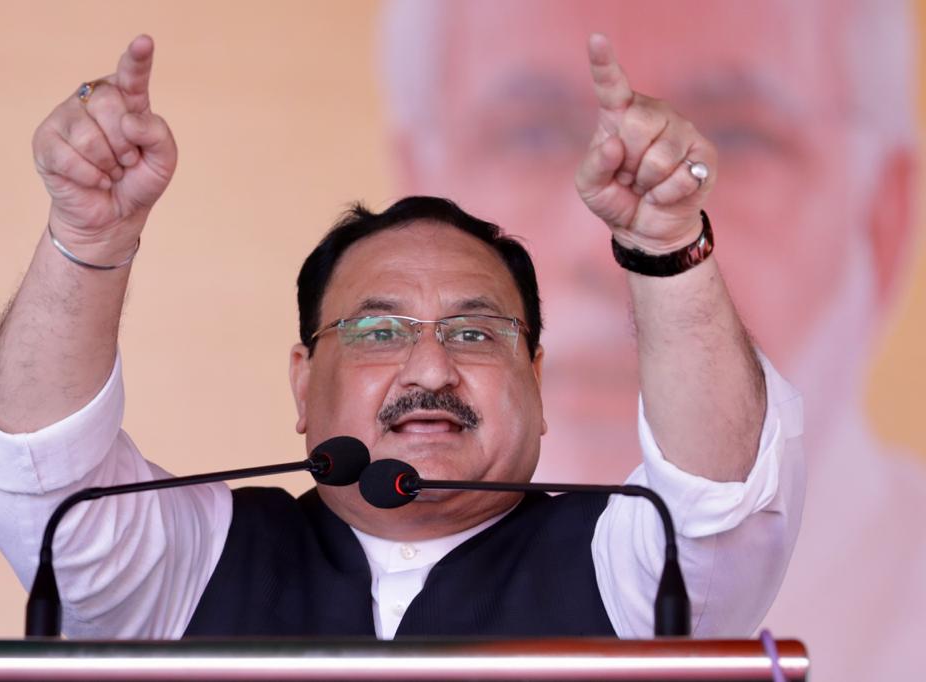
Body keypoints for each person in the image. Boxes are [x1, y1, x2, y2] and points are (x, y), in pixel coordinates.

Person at [0, 35, 802, 640]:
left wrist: (665, 246)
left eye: (475, 331)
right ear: (303, 380)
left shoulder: (627, 562)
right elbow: (40, 475)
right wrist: (88, 239)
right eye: (378, 330)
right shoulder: (190, 561)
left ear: (536, 383)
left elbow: (716, 499)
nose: (430, 367)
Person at [379, 0, 926, 677]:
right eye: (531, 137)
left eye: (734, 140)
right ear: (418, 203)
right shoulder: (316, 606)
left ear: (883, 218)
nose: (609, 242)